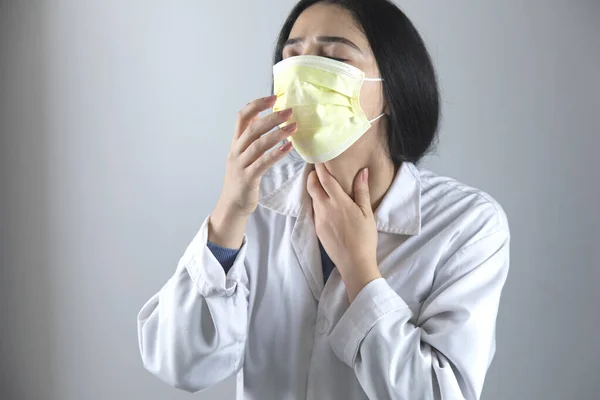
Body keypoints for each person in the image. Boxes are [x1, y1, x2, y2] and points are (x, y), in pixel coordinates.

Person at [137, 1, 510, 399]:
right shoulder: (259, 198)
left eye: (333, 56)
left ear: (393, 84)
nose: (303, 74)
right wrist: (229, 214)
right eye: (292, 56)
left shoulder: (466, 224)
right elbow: (180, 363)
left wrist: (360, 271)